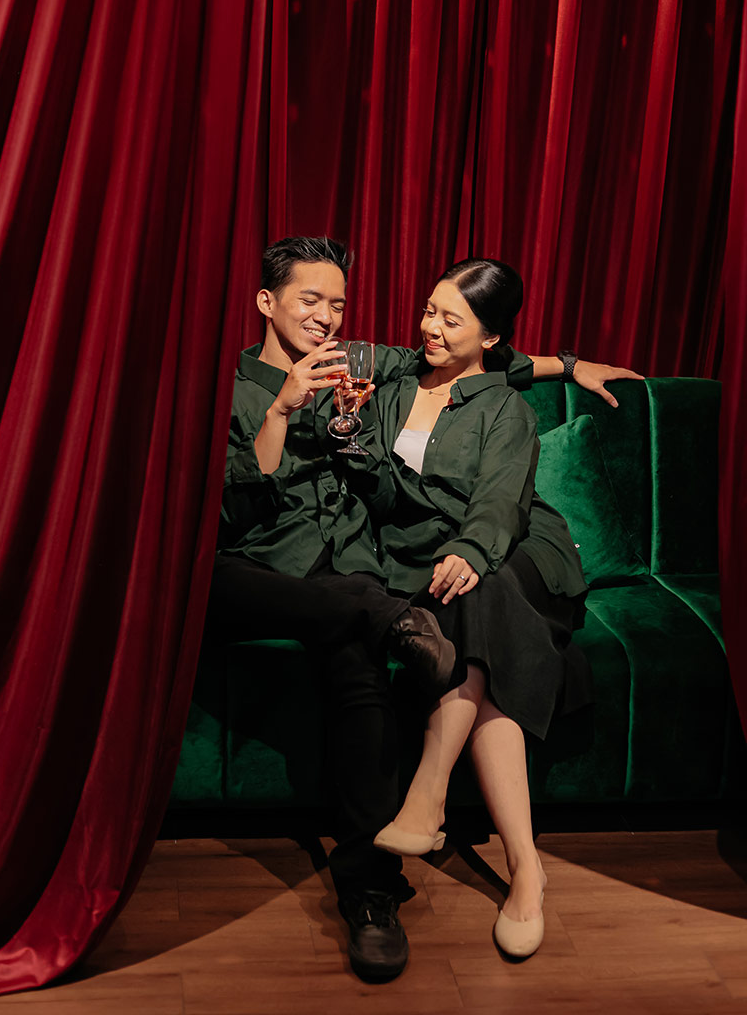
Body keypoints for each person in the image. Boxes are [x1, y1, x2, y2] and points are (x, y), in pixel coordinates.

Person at [212, 236, 640, 981]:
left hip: (414, 558)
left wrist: (569, 366)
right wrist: (294, 411)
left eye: (337, 303)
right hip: (310, 570)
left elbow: (480, 380)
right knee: (382, 613)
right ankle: (395, 631)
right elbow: (237, 508)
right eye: (310, 299)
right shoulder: (266, 386)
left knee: (404, 643)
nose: (326, 317)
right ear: (266, 301)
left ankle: (380, 882)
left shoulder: (398, 379)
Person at [367, 258, 599, 960]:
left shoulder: (505, 406)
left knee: (483, 588)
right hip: (442, 559)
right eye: (429, 310)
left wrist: (472, 548)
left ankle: (429, 791)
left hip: (520, 551)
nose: (430, 327)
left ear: (490, 337)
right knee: (485, 646)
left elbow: (501, 498)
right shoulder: (394, 377)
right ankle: (527, 869)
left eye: (451, 319)